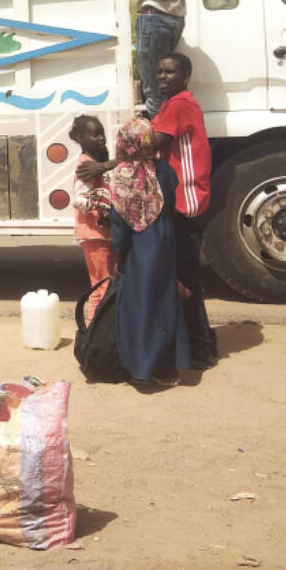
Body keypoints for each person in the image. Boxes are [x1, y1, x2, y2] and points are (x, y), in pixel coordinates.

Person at [109, 118, 190, 386]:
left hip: (139, 245)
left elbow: (119, 224)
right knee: (164, 300)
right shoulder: (164, 171)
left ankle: (142, 367)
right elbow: (170, 203)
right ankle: (168, 366)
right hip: (164, 240)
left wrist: (119, 254)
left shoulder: (120, 176)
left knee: (140, 303)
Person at [151, 53, 218, 369]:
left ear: (186, 75)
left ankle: (202, 348)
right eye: (160, 72)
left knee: (187, 280)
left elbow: (149, 143)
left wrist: (107, 163)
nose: (163, 77)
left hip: (185, 203)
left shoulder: (179, 103)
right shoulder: (171, 103)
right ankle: (195, 342)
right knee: (182, 276)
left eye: (170, 72)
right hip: (179, 201)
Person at [70, 115, 113, 322]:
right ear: (80, 138)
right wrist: (99, 209)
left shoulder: (95, 162)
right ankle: (99, 332)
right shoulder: (86, 165)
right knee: (104, 286)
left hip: (97, 234)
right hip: (95, 234)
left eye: (102, 134)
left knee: (98, 286)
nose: (101, 138)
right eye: (95, 135)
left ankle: (92, 331)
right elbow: (78, 199)